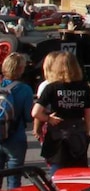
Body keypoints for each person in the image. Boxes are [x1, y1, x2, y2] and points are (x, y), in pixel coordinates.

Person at [32, 51, 90, 175]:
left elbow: (35, 112)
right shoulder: (84, 88)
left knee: (58, 174)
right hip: (77, 134)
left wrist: (48, 119)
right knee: (79, 175)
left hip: (57, 135)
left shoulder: (51, 88)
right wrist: (86, 132)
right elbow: (88, 115)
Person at [0, 53, 34, 189]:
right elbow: (28, 116)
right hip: (16, 137)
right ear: (20, 69)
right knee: (14, 179)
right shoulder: (25, 90)